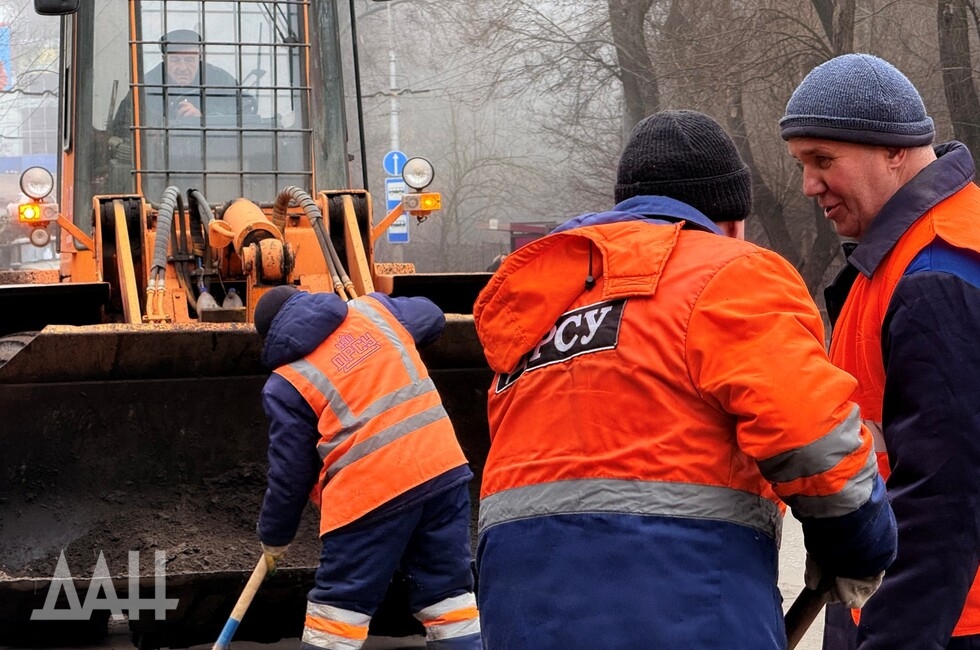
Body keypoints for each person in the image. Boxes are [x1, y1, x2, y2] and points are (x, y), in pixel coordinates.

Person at [471, 110, 898, 649]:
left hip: (518, 608)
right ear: (732, 224)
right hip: (678, 599)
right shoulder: (729, 272)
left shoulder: (537, 306)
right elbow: (813, 437)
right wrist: (861, 544)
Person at [781, 53, 980, 650]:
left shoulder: (936, 271)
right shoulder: (896, 257)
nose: (808, 184)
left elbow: (944, 499)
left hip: (943, 618)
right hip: (898, 601)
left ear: (894, 150)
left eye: (823, 161)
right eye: (801, 163)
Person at [252, 285, 482, 650]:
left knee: (338, 612)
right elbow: (433, 317)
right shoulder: (375, 312)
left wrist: (275, 537)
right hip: (443, 473)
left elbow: (289, 474)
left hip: (370, 495)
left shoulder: (287, 382)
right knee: (449, 596)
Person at [110, 28, 247, 139]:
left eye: (189, 60)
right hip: (160, 161)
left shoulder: (220, 80)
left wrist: (204, 119)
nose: (182, 68)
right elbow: (121, 126)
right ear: (164, 59)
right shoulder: (147, 86)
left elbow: (246, 109)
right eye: (175, 60)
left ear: (199, 57)